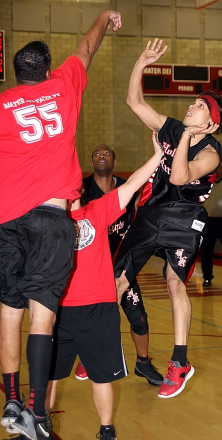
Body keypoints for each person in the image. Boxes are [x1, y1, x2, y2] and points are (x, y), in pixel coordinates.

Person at [0, 10, 122, 440]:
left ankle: (11, 400)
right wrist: (105, 18)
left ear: (15, 76)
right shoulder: (63, 86)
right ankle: (36, 410)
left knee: (8, 310)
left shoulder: (1, 105)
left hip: (7, 219)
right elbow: (86, 48)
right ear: (48, 71)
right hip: (50, 219)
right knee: (42, 315)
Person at [114, 39, 222, 399]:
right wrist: (141, 62)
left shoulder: (211, 153)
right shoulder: (174, 128)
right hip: (154, 212)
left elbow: (179, 177)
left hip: (185, 218)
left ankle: (180, 362)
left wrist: (181, 138)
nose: (189, 107)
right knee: (116, 278)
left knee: (174, 282)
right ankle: (100, 340)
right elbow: (135, 102)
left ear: (210, 123)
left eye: (197, 107)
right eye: (192, 103)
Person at [45, 132, 163, 440]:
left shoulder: (97, 210)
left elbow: (135, 183)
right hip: (58, 309)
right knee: (50, 376)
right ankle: (39, 424)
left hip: (99, 307)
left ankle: (106, 430)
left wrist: (157, 155)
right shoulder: (47, 221)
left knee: (101, 377)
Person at [75, 144, 163, 386]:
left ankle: (143, 363)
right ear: (91, 163)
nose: (101, 156)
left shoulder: (128, 187)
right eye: (96, 154)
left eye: (106, 154)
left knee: (139, 318)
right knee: (97, 317)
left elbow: (142, 214)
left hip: (121, 266)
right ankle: (87, 357)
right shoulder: (82, 190)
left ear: (114, 161)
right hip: (92, 268)